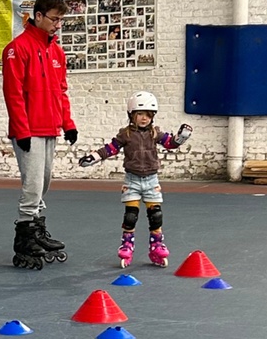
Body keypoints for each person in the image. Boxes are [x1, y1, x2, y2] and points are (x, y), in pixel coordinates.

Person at [1, 0, 77, 270]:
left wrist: (67, 123)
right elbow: (13, 94)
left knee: (44, 181)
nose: (58, 25)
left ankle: (37, 228)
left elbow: (61, 91)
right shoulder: (16, 49)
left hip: (49, 127)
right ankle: (24, 235)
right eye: (55, 20)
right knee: (32, 184)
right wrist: (21, 130)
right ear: (39, 16)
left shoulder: (56, 51)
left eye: (61, 21)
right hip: (28, 129)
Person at [78, 91, 193, 268]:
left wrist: (180, 138)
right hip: (132, 180)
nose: (144, 118)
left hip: (151, 180)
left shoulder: (155, 133)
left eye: (148, 115)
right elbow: (111, 148)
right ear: (132, 115)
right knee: (131, 216)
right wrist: (93, 157)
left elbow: (170, 143)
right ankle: (127, 245)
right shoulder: (126, 134)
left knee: (155, 216)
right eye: (140, 114)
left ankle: (156, 245)